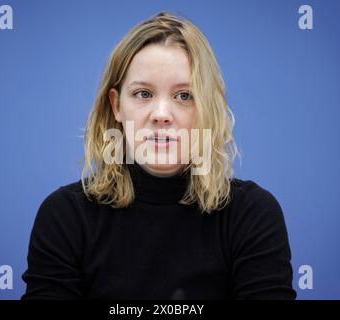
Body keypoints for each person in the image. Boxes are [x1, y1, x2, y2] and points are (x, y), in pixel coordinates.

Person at [21, 11, 296, 300]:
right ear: (116, 105)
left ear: (208, 108)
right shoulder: (65, 217)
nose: (162, 114)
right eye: (143, 94)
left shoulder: (251, 215)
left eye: (184, 96)